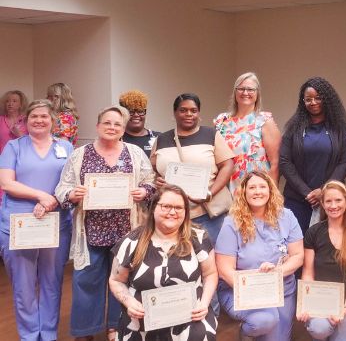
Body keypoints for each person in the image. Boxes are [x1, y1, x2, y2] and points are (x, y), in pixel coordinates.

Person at [54, 105, 156, 341]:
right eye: (107, 123)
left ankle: (116, 327)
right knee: (86, 281)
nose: (112, 127)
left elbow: (150, 181)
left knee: (123, 281)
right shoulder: (79, 154)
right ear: (98, 126)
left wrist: (144, 191)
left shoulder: (134, 153)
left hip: (126, 232)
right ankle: (86, 331)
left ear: (123, 129)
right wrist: (72, 195)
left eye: (117, 124)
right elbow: (62, 187)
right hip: (90, 232)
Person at [0, 99, 73, 341]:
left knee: (52, 282)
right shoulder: (14, 147)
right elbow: (6, 183)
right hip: (19, 223)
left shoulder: (66, 148)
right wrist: (41, 196)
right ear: (26, 120)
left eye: (44, 116)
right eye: (34, 116)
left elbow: (71, 183)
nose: (39, 120)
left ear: (52, 121)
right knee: (23, 285)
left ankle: (49, 334)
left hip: (56, 222)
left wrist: (52, 200)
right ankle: (30, 335)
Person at [109, 185, 218, 340]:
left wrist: (205, 303)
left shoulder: (198, 238)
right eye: (166, 206)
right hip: (142, 322)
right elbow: (116, 280)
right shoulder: (131, 242)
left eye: (179, 208)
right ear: (153, 208)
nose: (173, 212)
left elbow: (210, 274)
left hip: (190, 318)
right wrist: (129, 302)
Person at [215, 171, 304, 341]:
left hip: (281, 290)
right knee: (264, 321)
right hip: (240, 291)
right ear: (244, 193)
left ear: (270, 190)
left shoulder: (287, 217)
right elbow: (225, 269)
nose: (257, 191)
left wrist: (277, 272)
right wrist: (255, 290)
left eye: (262, 186)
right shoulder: (232, 222)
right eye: (252, 187)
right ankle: (246, 334)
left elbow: (298, 256)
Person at [152, 93, 235, 242]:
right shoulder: (162, 139)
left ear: (198, 113)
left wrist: (209, 193)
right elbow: (154, 171)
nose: (188, 114)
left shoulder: (211, 135)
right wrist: (157, 181)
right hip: (172, 216)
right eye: (183, 110)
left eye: (193, 110)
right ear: (174, 113)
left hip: (207, 215)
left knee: (212, 260)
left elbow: (227, 165)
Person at [298, 180, 346, 341]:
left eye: (338, 200)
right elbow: (308, 272)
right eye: (328, 201)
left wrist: (344, 309)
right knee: (319, 329)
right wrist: (306, 304)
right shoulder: (313, 232)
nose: (333, 205)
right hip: (321, 300)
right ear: (322, 203)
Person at [280, 77, 346, 233]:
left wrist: (324, 190)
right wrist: (307, 192)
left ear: (327, 99)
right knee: (296, 246)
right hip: (297, 199)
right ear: (302, 102)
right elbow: (285, 161)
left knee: (329, 247)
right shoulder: (293, 128)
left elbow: (345, 162)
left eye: (318, 98)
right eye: (308, 99)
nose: (313, 102)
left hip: (331, 200)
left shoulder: (340, 128)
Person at [215, 72, 281, 190]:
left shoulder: (264, 120)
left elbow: (275, 164)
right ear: (235, 92)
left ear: (257, 93)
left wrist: (273, 195)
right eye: (241, 89)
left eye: (250, 89)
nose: (245, 93)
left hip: (257, 188)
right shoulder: (222, 121)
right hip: (228, 187)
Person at [119, 89, 160, 154]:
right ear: (123, 113)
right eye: (131, 111)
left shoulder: (159, 138)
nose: (136, 115)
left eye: (140, 111)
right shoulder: (117, 139)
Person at [46, 82, 79, 146]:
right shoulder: (66, 115)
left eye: (49, 96)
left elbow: (63, 144)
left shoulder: (64, 117)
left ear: (57, 98)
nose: (47, 98)